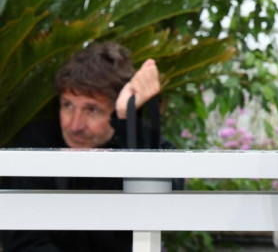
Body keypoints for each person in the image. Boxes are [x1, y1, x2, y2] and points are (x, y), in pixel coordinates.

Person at [0, 41, 162, 252]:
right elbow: (23, 239)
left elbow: (168, 198)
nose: (75, 125)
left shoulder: (140, 141)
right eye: (67, 105)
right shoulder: (37, 143)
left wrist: (125, 119)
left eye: (92, 110)